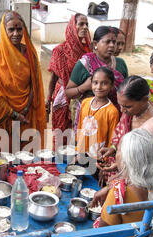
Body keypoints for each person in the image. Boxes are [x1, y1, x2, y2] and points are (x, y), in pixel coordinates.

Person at [0, 11, 47, 153]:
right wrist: (15, 114)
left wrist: (25, 109)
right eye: (11, 29)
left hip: (28, 114)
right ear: (4, 30)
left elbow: (34, 85)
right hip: (6, 117)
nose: (16, 33)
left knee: (28, 157)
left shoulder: (30, 52)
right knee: (6, 158)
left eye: (19, 29)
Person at [96, 76, 153, 186]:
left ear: (144, 100)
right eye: (120, 105)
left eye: (127, 106)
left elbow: (144, 169)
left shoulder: (152, 128)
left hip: (135, 183)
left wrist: (119, 169)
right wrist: (113, 149)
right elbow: (120, 134)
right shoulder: (131, 111)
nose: (122, 110)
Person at [65, 26, 125, 135]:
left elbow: (126, 92)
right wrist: (83, 87)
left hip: (114, 117)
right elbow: (68, 92)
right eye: (107, 42)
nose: (112, 45)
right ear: (95, 44)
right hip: (89, 117)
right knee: (86, 148)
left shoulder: (120, 64)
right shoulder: (85, 64)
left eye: (114, 42)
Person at [46, 14, 91, 149]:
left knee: (80, 133)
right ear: (73, 26)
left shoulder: (89, 50)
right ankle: (57, 164)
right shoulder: (60, 51)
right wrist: (48, 98)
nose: (84, 27)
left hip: (83, 96)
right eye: (81, 24)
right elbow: (53, 78)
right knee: (61, 132)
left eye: (86, 24)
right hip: (62, 96)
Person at [76, 67, 119, 158]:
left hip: (98, 156)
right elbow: (80, 125)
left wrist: (105, 159)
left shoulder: (112, 111)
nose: (99, 87)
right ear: (91, 84)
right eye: (95, 83)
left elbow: (112, 138)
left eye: (104, 83)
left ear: (111, 86)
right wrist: (77, 148)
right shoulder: (85, 102)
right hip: (81, 152)